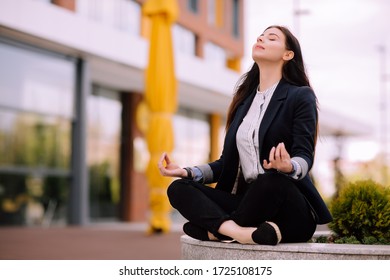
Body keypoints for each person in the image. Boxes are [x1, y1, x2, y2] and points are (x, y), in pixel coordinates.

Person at [158, 25, 332, 245]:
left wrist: (289, 166)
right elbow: (225, 165)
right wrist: (186, 171)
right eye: (261, 36)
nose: (261, 38)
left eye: (271, 38)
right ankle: (242, 234)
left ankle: (218, 230)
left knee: (269, 180)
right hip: (247, 204)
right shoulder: (244, 103)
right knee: (178, 188)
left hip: (286, 204)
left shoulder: (299, 96)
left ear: (287, 55)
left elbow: (305, 155)